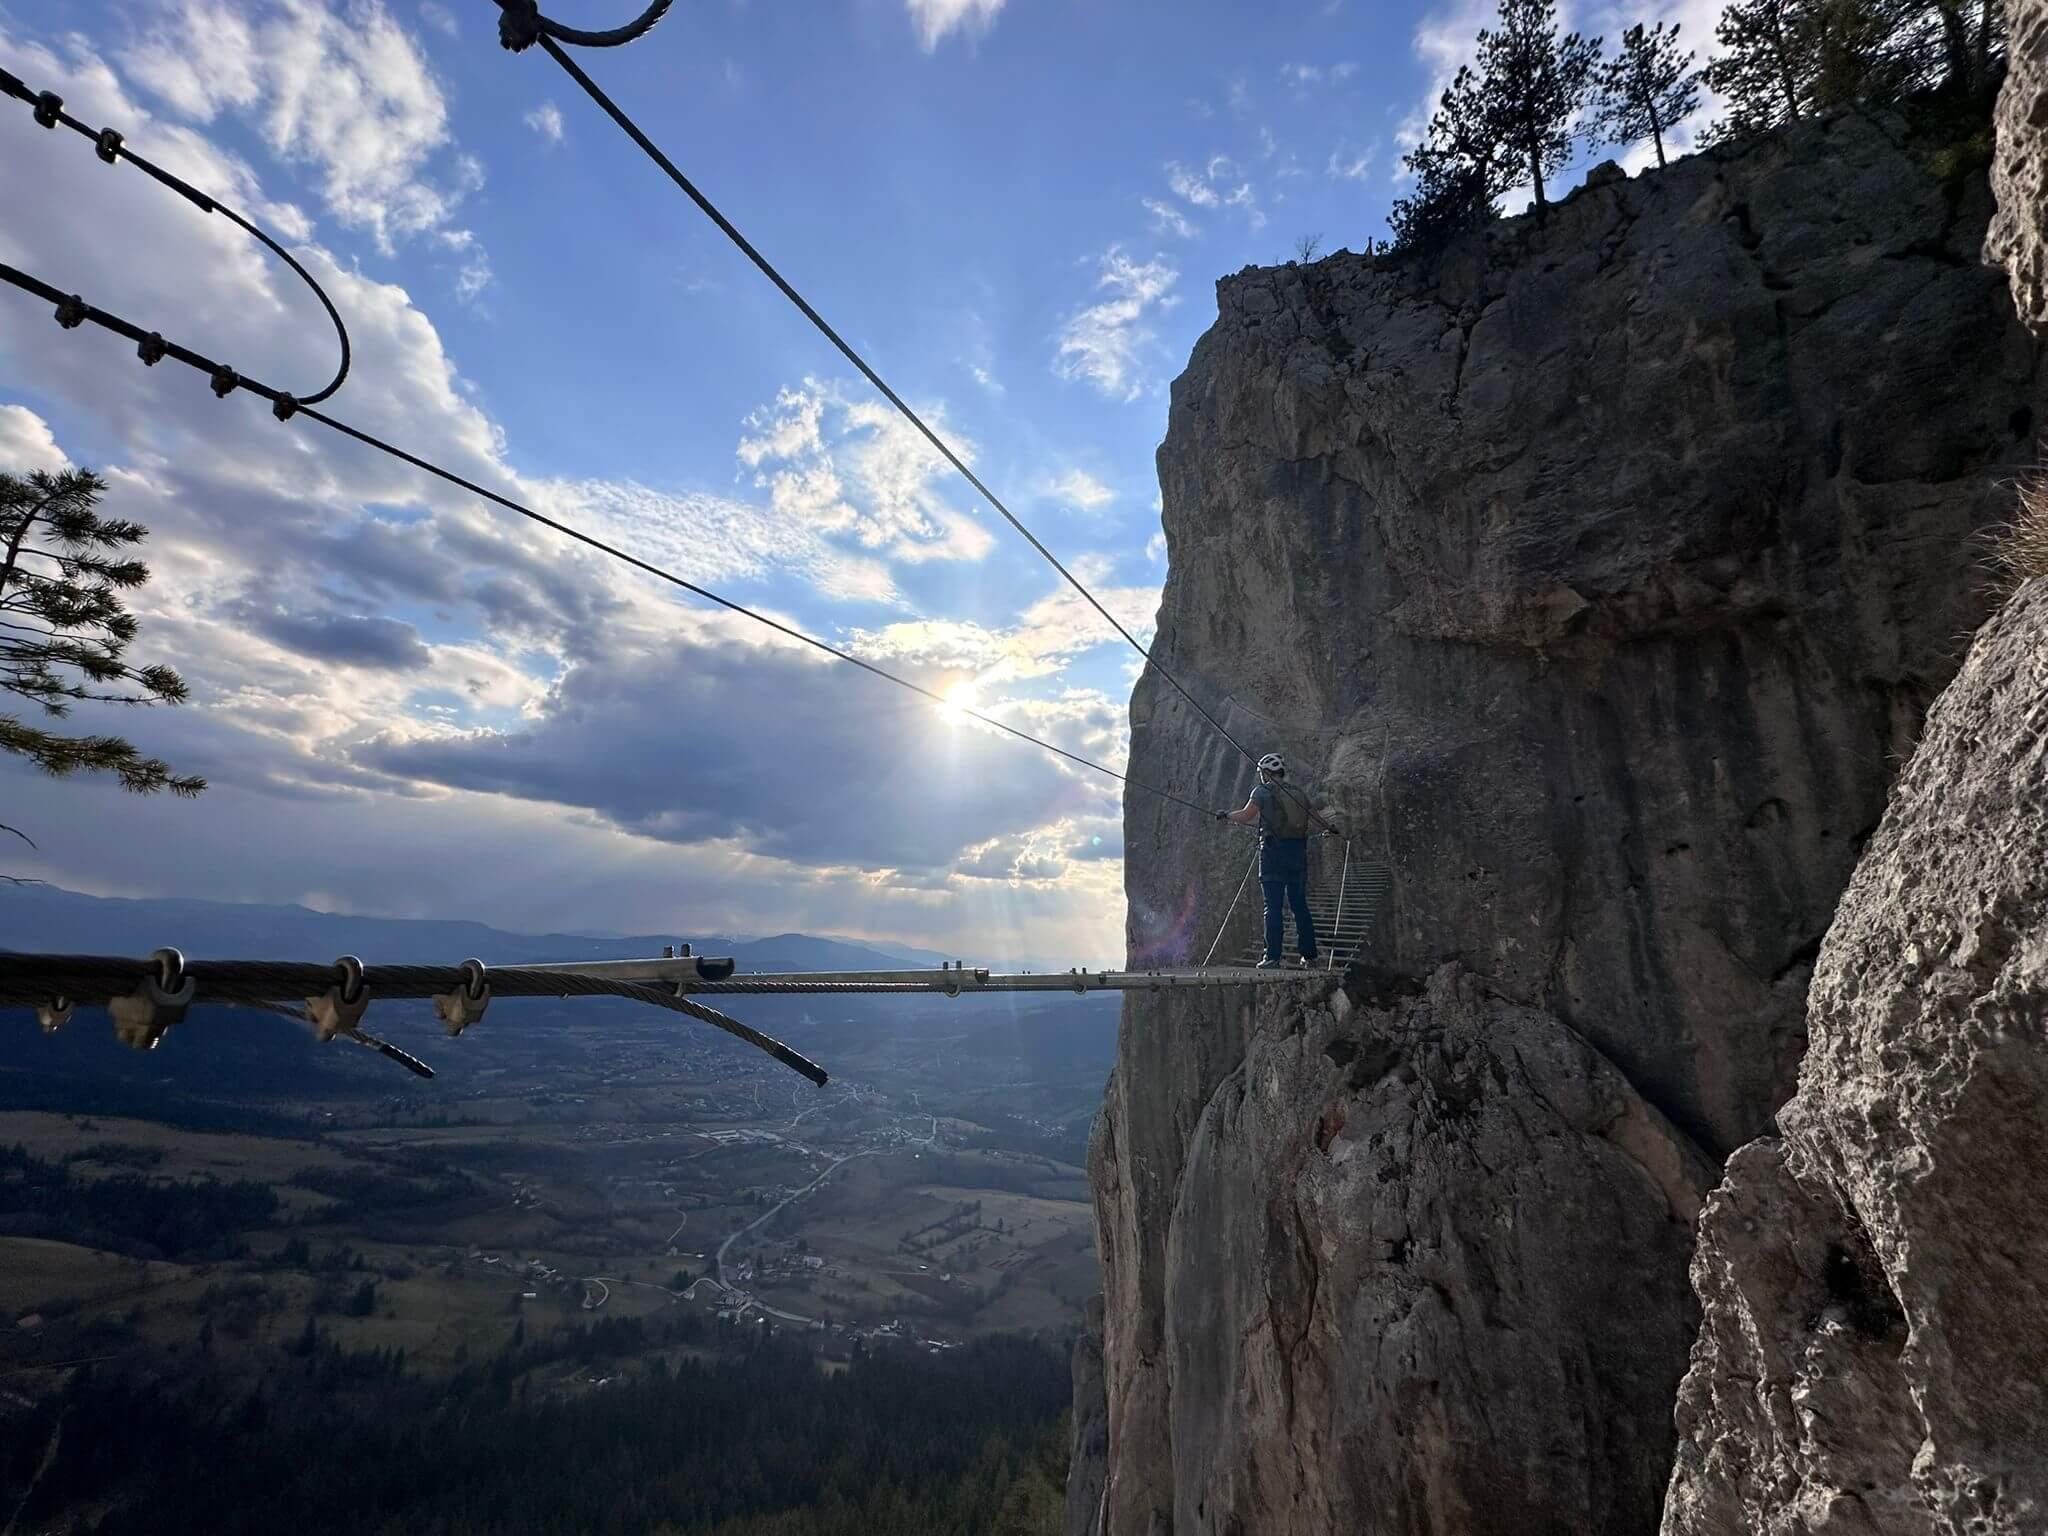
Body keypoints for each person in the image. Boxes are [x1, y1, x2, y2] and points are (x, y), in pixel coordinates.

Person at [1218, 752, 1340, 969]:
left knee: (1272, 906)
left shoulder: (1262, 791)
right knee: (1299, 906)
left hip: (1273, 854)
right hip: (1297, 854)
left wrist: (1226, 815)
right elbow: (1315, 816)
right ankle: (1310, 957)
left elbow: (1247, 815)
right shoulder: (1298, 793)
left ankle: (1272, 957)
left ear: (1266, 773)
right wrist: (1329, 829)